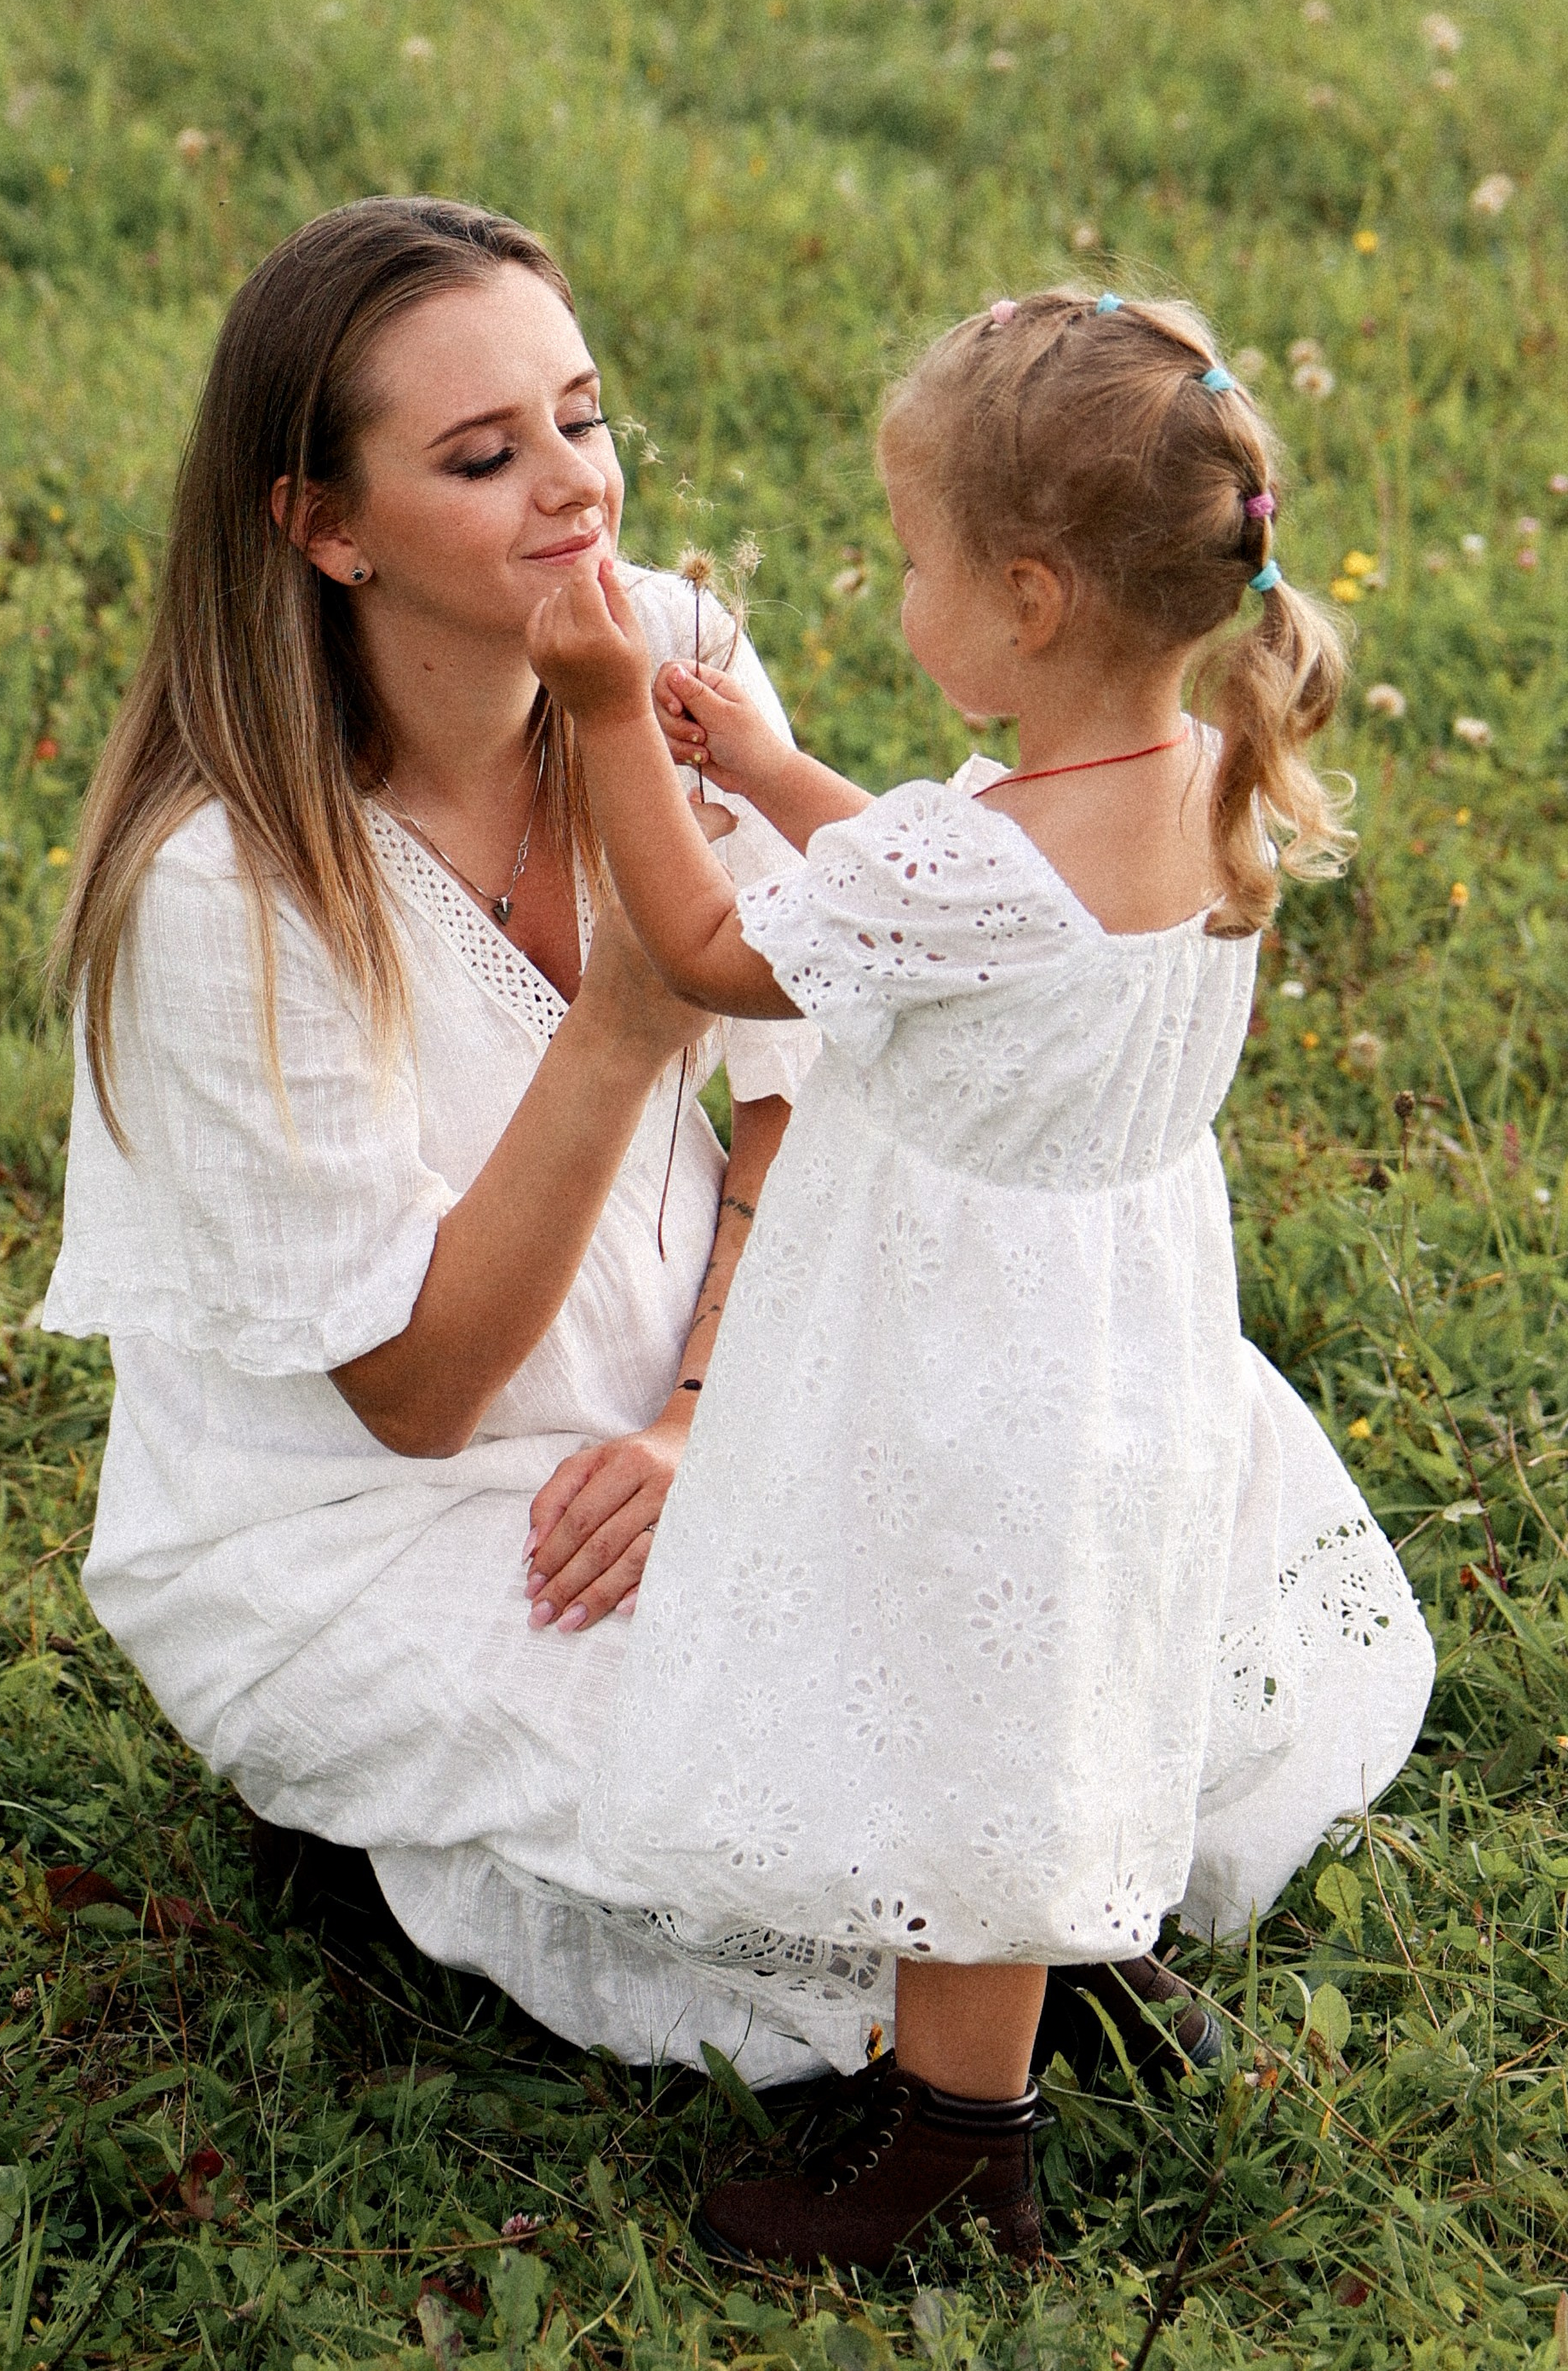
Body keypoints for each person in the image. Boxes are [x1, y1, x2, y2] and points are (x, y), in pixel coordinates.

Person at [527, 287, 1436, 2268]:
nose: (899, 597)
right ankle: (1022, 2035)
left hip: (948, 1358)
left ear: (1028, 600)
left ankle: (959, 2150)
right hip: (1102, 1345)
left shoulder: (973, 856)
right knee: (1029, 1698)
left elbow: (709, 954)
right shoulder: (1202, 776)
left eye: (915, 564)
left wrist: (604, 717)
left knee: (954, 1727)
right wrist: (776, 769)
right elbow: (961, 910)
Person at [41, 195, 859, 2083]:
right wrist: (624, 1020)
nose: (575, 487)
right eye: (484, 458)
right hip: (369, 1516)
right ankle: (376, 1815)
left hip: (688, 1388)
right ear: (326, 528)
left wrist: (703, 1419)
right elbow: (410, 1395)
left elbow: (803, 1086)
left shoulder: (670, 658)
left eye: (583, 416)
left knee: (1110, 1463)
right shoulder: (223, 888)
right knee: (786, 1778)